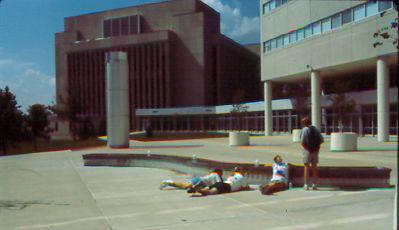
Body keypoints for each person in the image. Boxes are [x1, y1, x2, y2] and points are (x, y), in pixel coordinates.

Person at [300, 116, 324, 190]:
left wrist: (306, 148)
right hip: (315, 151)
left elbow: (302, 141)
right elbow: (322, 140)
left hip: (307, 151)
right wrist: (316, 147)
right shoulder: (315, 129)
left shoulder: (305, 129)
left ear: (303, 123)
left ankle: (306, 185)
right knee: (314, 167)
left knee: (306, 167)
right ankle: (314, 184)